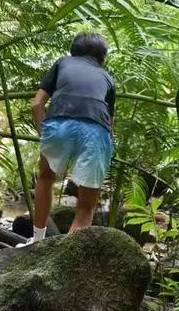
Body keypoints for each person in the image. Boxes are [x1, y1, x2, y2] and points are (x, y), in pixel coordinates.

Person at [20, 32, 115, 245]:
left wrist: (45, 134)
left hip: (58, 124)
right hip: (96, 132)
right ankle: (65, 255)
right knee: (86, 207)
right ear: (102, 58)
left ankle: (36, 241)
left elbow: (36, 104)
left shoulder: (62, 63)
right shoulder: (107, 77)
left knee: (46, 178)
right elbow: (110, 123)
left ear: (73, 51)